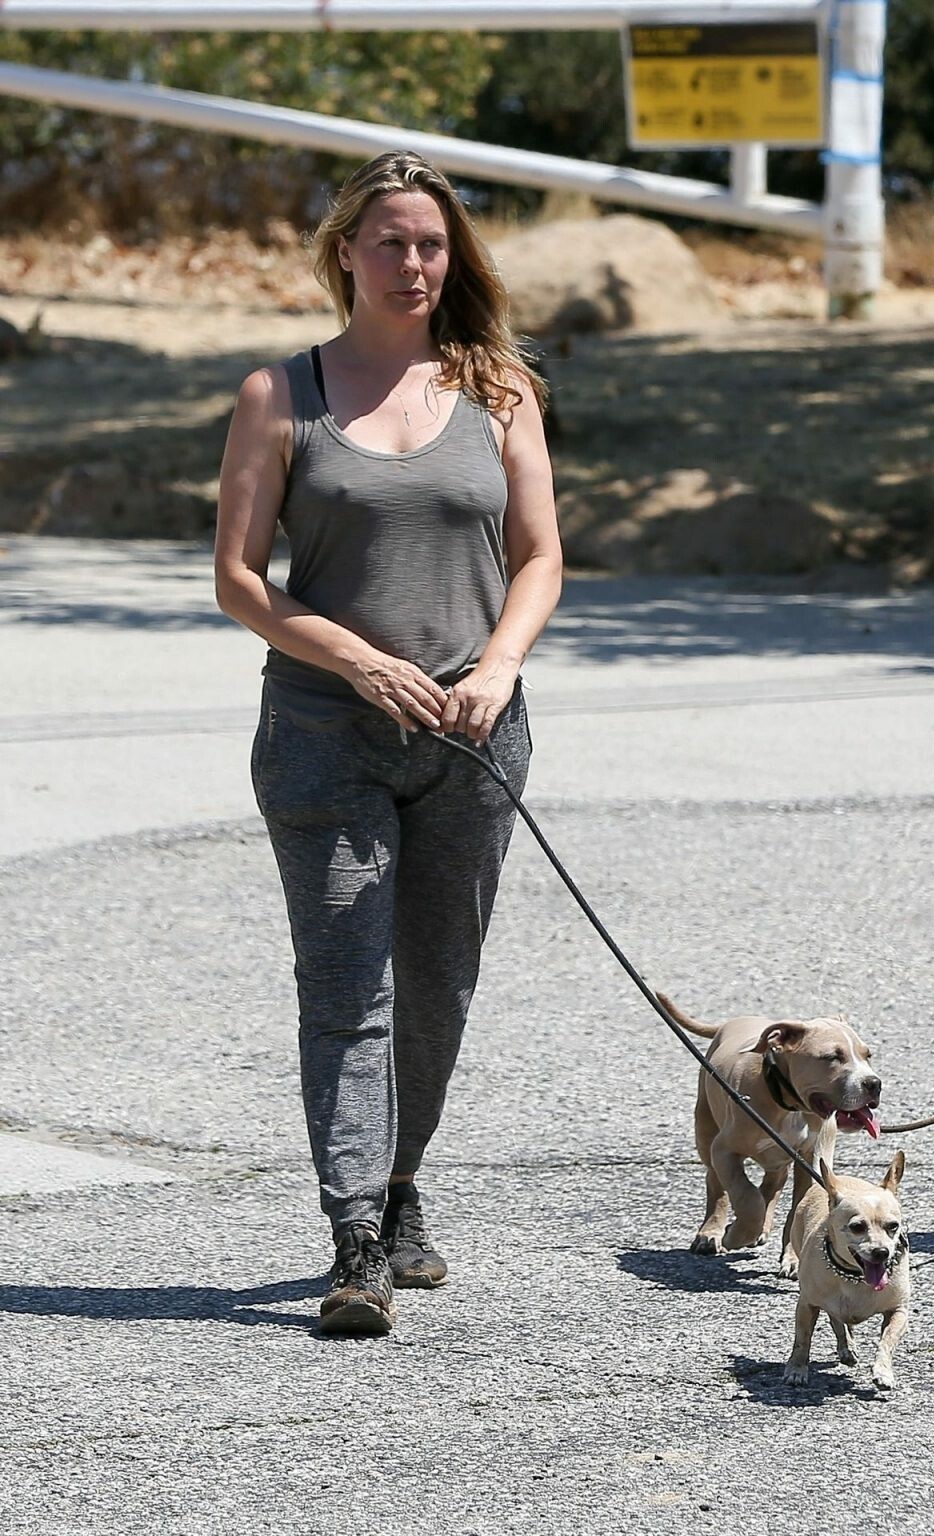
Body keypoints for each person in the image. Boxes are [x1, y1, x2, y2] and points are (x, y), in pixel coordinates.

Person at [214, 151, 562, 1337]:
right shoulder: (281, 395)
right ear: (345, 255)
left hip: (472, 737)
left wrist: (499, 664)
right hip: (325, 738)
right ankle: (355, 1233)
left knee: (437, 984)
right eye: (389, 243)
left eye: (430, 244)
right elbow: (238, 581)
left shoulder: (499, 389)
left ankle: (402, 1180)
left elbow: (539, 558)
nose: (412, 263)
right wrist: (356, 659)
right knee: (345, 987)